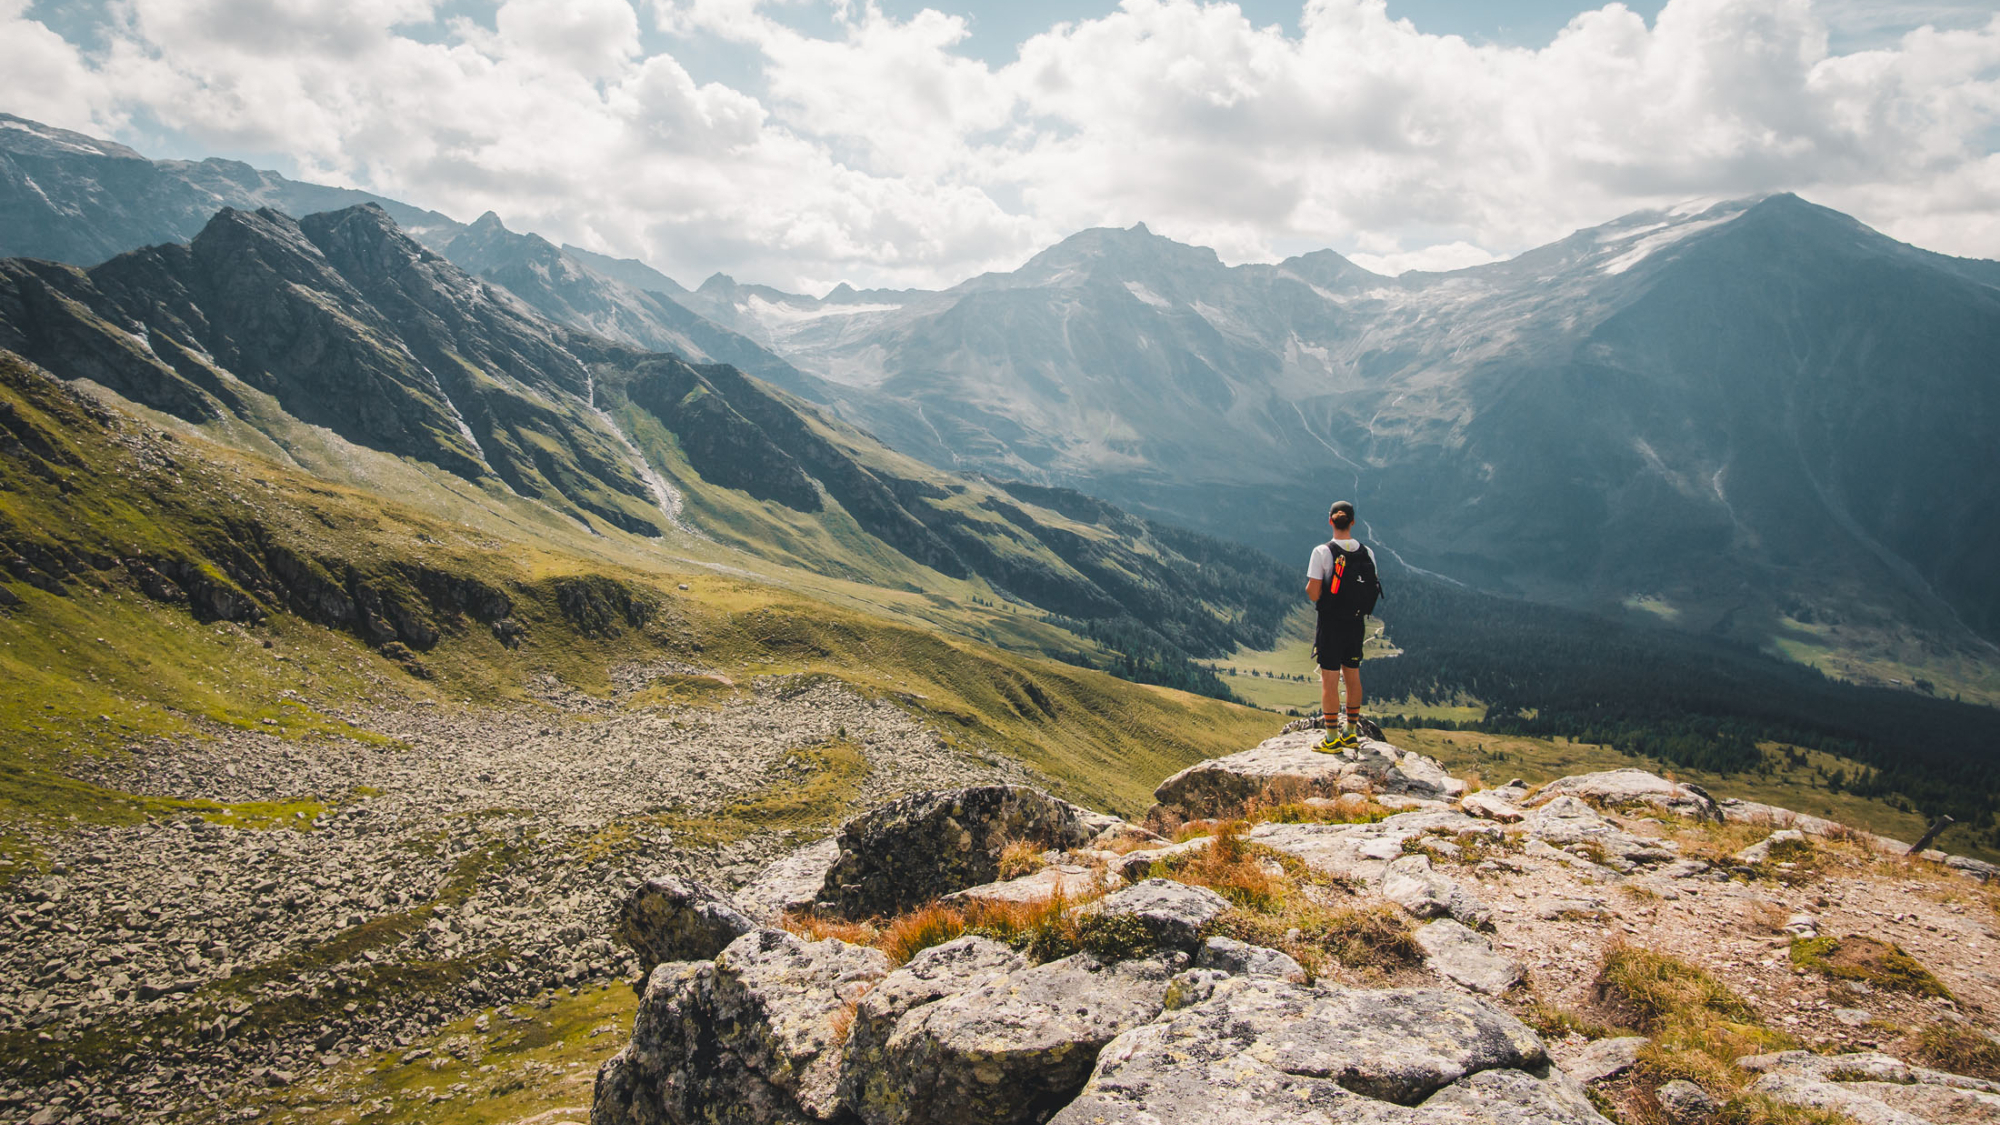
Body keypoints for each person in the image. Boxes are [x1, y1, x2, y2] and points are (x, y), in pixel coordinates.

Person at [1305, 500, 1383, 751]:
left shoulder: (1322, 552)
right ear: (1352, 522)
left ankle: (1330, 738)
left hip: (1331, 623)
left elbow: (1314, 592)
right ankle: (1350, 732)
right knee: (1352, 675)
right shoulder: (1367, 553)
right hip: (1356, 623)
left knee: (1329, 680)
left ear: (1330, 521)